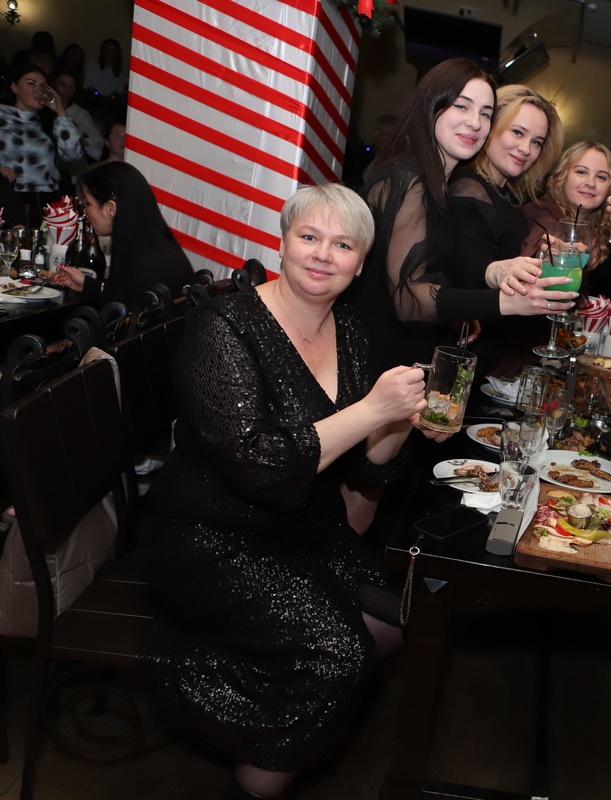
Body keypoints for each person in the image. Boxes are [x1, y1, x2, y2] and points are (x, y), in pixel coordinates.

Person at [138, 183, 426, 799]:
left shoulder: (350, 331)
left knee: (396, 623)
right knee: (339, 656)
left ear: (361, 263)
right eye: (309, 236)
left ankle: (291, 703)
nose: (323, 254)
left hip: (301, 531)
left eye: (343, 245)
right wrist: (372, 409)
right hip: (208, 537)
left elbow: (368, 469)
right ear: (283, 241)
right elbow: (261, 466)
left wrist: (400, 422)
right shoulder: (223, 327)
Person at [348, 58, 575, 379]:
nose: (475, 122)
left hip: (402, 367)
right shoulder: (409, 179)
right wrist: (507, 301)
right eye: (462, 106)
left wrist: (458, 310)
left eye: (485, 113)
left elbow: (440, 272)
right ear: (432, 106)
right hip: (373, 365)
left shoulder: (434, 185)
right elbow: (409, 300)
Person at [446, 84, 562, 376]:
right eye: (518, 132)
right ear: (489, 126)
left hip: (486, 349)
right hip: (461, 350)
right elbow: (469, 264)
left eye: (536, 142)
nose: (526, 149)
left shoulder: (502, 192)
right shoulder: (469, 187)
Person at [51, 161, 193, 312]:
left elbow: (127, 319)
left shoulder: (148, 265)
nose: (85, 212)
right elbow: (126, 297)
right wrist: (90, 286)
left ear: (110, 208)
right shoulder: (153, 245)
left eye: (87, 204)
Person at [0, 63, 82, 227]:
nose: (38, 90)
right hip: (9, 198)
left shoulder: (49, 122)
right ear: (15, 87)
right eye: (31, 83)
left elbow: (72, 154)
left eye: (43, 86)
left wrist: (60, 112)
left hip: (47, 200)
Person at [520, 140, 611, 275]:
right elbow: (542, 241)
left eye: (601, 177)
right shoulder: (542, 212)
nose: (590, 183)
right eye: (581, 172)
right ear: (563, 175)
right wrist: (549, 252)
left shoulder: (596, 225)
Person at [52, 69, 104, 163]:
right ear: (53, 84)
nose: (66, 91)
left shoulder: (80, 113)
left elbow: (98, 141)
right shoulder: (41, 107)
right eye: (62, 85)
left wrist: (78, 140)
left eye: (71, 87)